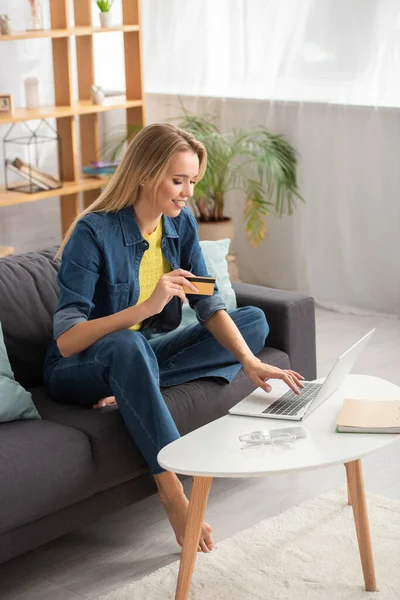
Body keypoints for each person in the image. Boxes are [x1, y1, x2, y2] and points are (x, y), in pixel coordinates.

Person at [43, 123, 304, 553]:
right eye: (178, 180)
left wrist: (248, 360)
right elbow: (68, 340)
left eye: (192, 181)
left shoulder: (178, 227)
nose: (187, 193)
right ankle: (173, 495)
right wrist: (145, 308)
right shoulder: (95, 233)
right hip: (78, 366)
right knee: (128, 346)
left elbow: (208, 304)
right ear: (146, 174)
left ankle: (134, 385)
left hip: (138, 354)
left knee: (252, 322)